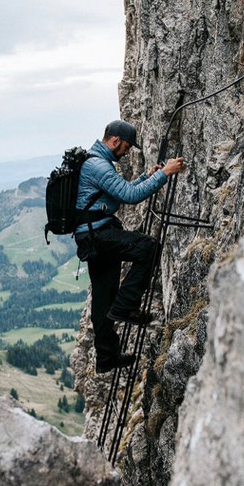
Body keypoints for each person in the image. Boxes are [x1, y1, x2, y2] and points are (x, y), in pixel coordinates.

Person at [75, 119, 185, 373]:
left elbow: (118, 191)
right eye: (125, 147)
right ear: (115, 140)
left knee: (103, 296)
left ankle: (106, 357)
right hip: (99, 235)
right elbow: (130, 197)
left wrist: (147, 177)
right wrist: (164, 174)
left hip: (92, 236)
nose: (126, 152)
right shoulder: (98, 165)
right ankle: (126, 307)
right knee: (149, 248)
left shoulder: (95, 162)